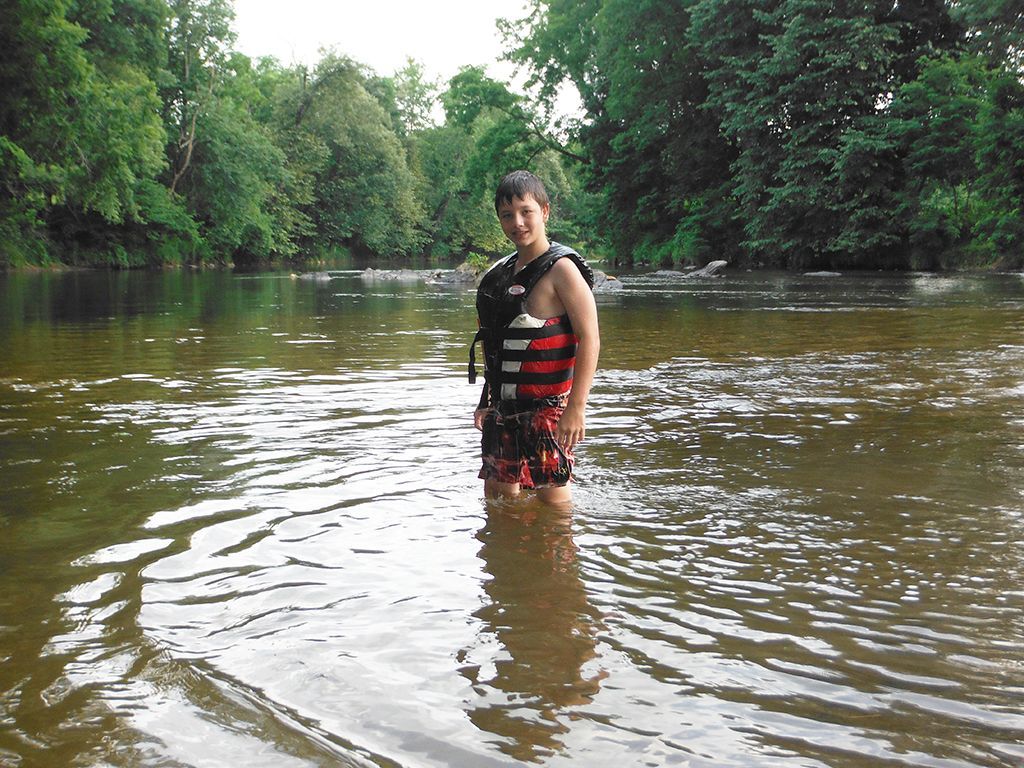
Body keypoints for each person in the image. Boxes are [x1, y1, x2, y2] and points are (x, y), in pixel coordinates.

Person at [469, 170, 600, 505]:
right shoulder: (497, 277)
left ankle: (559, 558)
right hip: (503, 410)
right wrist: (486, 400)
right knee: (498, 500)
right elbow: (495, 346)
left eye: (526, 212)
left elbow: (590, 339)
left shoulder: (563, 271)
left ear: (544, 211)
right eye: (507, 215)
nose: (518, 223)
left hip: (548, 412)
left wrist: (576, 409)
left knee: (553, 505)